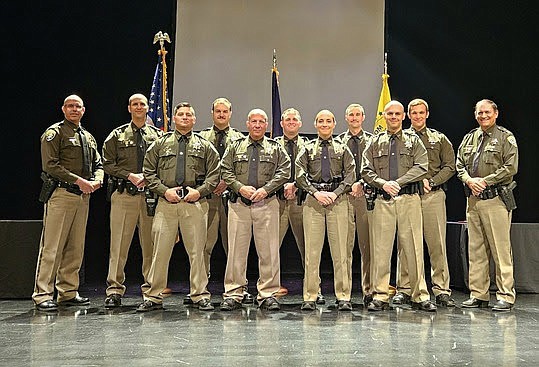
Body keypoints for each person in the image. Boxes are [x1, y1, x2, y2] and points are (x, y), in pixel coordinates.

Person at [136, 102, 220, 312]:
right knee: (160, 252)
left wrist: (199, 192)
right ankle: (153, 295)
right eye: (181, 114)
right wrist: (164, 191)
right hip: (167, 203)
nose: (184, 117)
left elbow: (214, 175)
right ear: (174, 118)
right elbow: (148, 172)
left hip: (195, 204)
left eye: (188, 115)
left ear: (194, 119)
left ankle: (199, 294)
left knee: (197, 252)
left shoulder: (205, 145)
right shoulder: (160, 143)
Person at [361, 100, 436, 312]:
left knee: (413, 248)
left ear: (404, 116)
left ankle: (420, 294)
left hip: (408, 199)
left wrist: (398, 183)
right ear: (384, 116)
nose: (393, 117)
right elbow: (365, 169)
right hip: (383, 200)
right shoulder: (374, 142)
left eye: (397, 114)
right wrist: (384, 184)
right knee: (381, 250)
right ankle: (380, 295)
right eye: (390, 114)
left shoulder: (414, 141)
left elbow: (422, 166)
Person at [33, 94, 104, 311]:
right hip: (61, 195)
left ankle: (68, 291)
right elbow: (51, 165)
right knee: (52, 247)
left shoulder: (88, 137)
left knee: (75, 247)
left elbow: (98, 163)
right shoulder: (54, 133)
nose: (74, 109)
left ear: (84, 110)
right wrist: (79, 181)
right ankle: (42, 294)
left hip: (82, 198)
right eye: (70, 106)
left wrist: (98, 179)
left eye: (78, 106)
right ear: (63, 109)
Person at [219, 108, 290, 311]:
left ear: (266, 125)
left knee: (269, 252)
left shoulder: (275, 148)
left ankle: (267, 293)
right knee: (236, 253)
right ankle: (234, 292)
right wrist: (240, 187)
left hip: (267, 204)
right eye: (254, 121)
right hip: (239, 204)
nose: (257, 125)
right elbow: (225, 169)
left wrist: (266, 190)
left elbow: (285, 171)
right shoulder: (235, 146)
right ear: (248, 124)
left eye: (261, 121)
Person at [392, 98, 456, 308]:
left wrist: (433, 181)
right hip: (409, 196)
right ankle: (404, 288)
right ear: (408, 115)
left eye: (421, 113)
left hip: (432, 196)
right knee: (405, 243)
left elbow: (450, 166)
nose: (418, 116)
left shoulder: (439, 139)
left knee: (436, 242)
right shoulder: (401, 138)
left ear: (427, 114)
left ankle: (441, 289)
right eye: (414, 113)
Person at [456, 99, 518, 311]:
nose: (483, 116)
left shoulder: (505, 137)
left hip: (495, 200)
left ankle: (505, 295)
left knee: (500, 250)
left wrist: (485, 181)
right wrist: (468, 180)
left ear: (496, 114)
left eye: (487, 112)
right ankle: (478, 294)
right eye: (479, 113)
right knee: (476, 250)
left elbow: (511, 167)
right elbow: (459, 164)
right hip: (473, 200)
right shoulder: (469, 137)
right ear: (475, 115)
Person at [101, 94, 163, 308]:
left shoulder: (157, 135)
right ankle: (114, 290)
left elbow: (164, 164)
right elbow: (107, 164)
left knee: (150, 246)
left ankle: (151, 290)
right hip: (124, 196)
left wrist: (150, 178)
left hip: (150, 198)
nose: (139, 107)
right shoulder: (117, 135)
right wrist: (129, 175)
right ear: (129, 108)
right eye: (134, 104)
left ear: (147, 108)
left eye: (142, 104)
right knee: (118, 246)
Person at [296, 109, 355, 311]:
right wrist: (315, 193)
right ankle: (310, 296)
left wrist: (335, 193)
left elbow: (350, 176)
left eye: (328, 121)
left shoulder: (342, 148)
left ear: (334, 123)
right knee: (312, 252)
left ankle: (343, 296)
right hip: (314, 201)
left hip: (337, 201)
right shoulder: (306, 148)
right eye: (320, 121)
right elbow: (300, 175)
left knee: (340, 252)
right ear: (315, 124)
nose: (324, 124)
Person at [197, 98, 250, 303]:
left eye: (225, 111)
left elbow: (242, 171)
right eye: (217, 111)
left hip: (232, 198)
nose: (221, 114)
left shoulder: (239, 139)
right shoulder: (201, 138)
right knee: (203, 245)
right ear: (212, 113)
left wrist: (227, 183)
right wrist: (211, 184)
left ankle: (239, 287)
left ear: (230, 113)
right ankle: (199, 288)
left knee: (236, 245)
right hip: (207, 197)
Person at [274, 108, 324, 302]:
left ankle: (313, 288)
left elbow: (314, 173)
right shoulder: (273, 145)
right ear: (281, 123)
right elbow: (270, 172)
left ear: (301, 123)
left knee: (309, 247)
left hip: (302, 202)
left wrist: (296, 184)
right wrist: (283, 185)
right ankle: (271, 287)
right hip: (277, 201)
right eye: (288, 119)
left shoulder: (310, 146)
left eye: (295, 119)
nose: (291, 122)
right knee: (270, 248)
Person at [337, 103, 374, 306]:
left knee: (367, 247)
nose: (354, 118)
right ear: (346, 118)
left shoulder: (373, 141)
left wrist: (363, 183)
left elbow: (377, 167)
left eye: (358, 114)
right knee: (344, 247)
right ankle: (345, 294)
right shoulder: (338, 142)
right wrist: (349, 185)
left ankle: (369, 290)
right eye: (351, 115)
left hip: (366, 198)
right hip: (344, 197)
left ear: (363, 117)